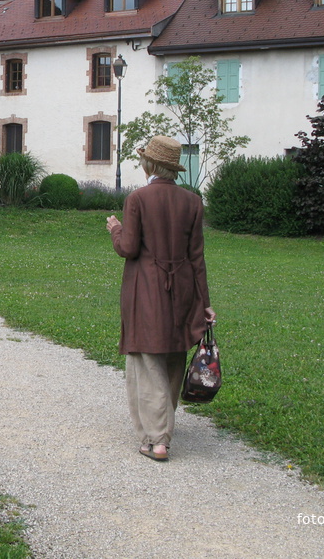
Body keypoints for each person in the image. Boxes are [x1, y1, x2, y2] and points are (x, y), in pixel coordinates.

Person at [105, 135, 215, 462]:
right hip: (182, 289)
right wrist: (205, 301)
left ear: (149, 164)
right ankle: (163, 428)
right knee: (173, 357)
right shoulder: (192, 201)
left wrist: (115, 229)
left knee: (147, 360)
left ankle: (157, 440)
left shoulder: (138, 199)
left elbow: (128, 248)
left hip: (146, 289)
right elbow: (197, 257)